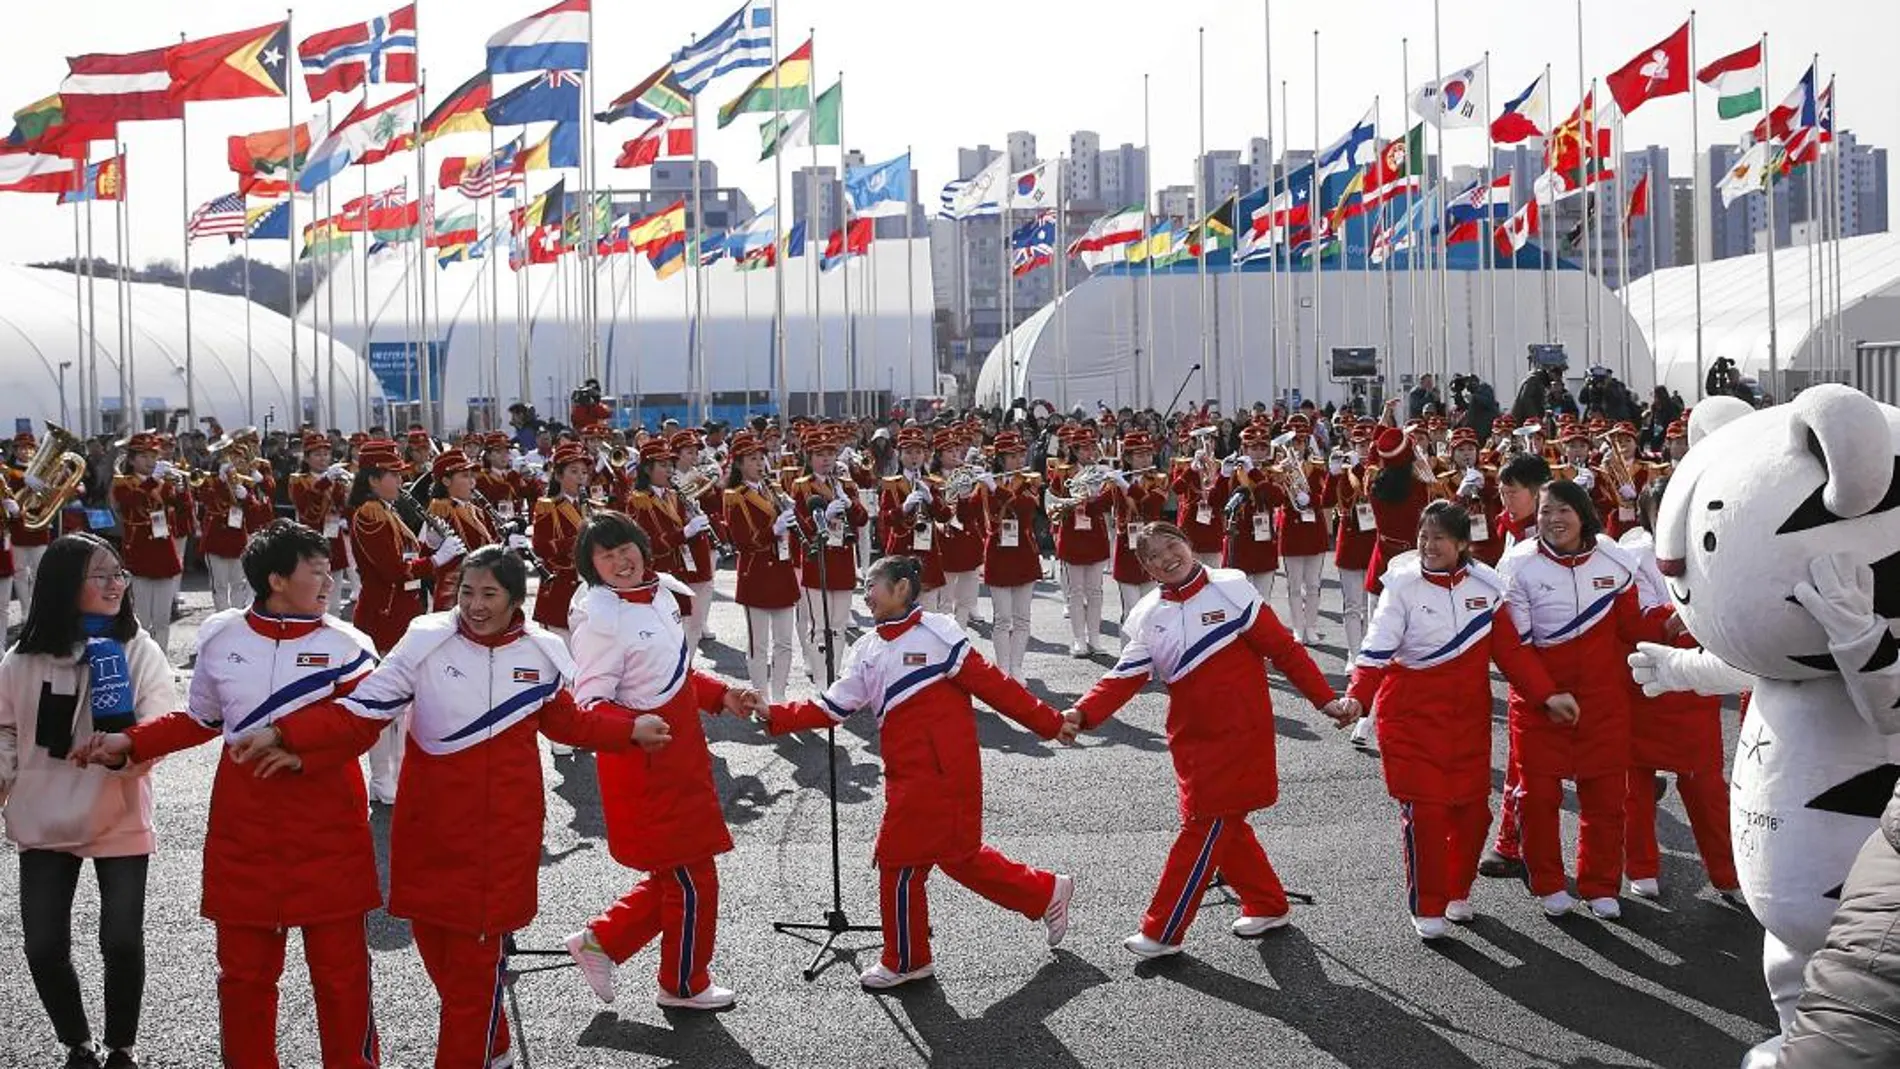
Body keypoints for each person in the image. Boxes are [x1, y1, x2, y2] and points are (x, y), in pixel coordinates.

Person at [241, 546, 669, 1068]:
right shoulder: (424, 642)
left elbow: (570, 724)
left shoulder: (539, 653)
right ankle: (495, 1040)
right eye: (467, 592)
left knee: (470, 974)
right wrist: (287, 736)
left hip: (500, 839)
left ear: (516, 600)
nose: (475, 605)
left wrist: (630, 729)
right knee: (440, 953)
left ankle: (472, 1048)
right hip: (428, 832)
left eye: (490, 594)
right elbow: (359, 713)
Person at [76, 521, 382, 1069]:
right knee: (244, 978)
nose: (331, 582)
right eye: (318, 571)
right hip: (245, 832)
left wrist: (293, 741)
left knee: (342, 976)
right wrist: (131, 742)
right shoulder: (221, 635)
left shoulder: (348, 644)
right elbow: (200, 718)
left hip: (329, 830)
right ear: (276, 579)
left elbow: (365, 721)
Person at [753, 555, 1075, 989]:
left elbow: (996, 687)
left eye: (872, 585)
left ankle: (907, 959)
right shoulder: (866, 648)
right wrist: (774, 715)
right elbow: (832, 707)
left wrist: (1052, 724)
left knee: (899, 864)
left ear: (902, 588)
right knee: (956, 859)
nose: (865, 594)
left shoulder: (941, 634)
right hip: (906, 775)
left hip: (945, 774)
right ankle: (1044, 892)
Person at [1064, 523, 1349, 957]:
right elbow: (1124, 677)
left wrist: (1325, 700)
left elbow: (1284, 651)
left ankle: (1162, 930)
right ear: (1145, 568)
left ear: (1189, 545)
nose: (1167, 558)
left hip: (1240, 733)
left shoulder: (1232, 591)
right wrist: (1081, 713)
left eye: (1171, 546)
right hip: (1190, 739)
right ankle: (1269, 904)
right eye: (1154, 556)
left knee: (1204, 826)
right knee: (1224, 824)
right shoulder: (1147, 615)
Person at [1344, 503, 1575, 939]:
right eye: (1423, 537)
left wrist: (1547, 695)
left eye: (1439, 538)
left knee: (1472, 817)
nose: (1428, 546)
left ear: (1462, 544)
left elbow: (1513, 653)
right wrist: (1357, 697)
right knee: (1427, 815)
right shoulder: (1402, 587)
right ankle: (1427, 904)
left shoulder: (1487, 589)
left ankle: (1455, 892)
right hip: (1410, 719)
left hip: (1467, 722)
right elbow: (1375, 649)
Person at [560, 514, 755, 1010]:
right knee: (693, 877)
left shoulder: (661, 595)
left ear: (644, 548)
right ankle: (683, 982)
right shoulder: (601, 619)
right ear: (592, 567)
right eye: (606, 556)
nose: (621, 561)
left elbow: (674, 672)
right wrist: (629, 729)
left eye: (626, 548)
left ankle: (602, 941)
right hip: (644, 766)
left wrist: (722, 694)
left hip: (682, 755)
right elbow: (589, 704)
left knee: (678, 875)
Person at [1, 533, 177, 1069]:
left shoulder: (136, 649)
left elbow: (161, 723)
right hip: (43, 812)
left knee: (122, 939)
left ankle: (122, 1044)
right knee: (43, 945)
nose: (116, 585)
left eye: (119, 574)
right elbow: (5, 728)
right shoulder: (21, 659)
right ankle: (77, 1041)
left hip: (117, 806)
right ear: (62, 585)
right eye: (99, 576)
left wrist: (126, 752)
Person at [1497, 480, 1669, 919]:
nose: (1553, 520)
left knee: (1606, 799)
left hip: (1603, 702)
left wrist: (1678, 621)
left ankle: (1600, 886)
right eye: (1545, 511)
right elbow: (1511, 647)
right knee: (1537, 799)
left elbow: (1634, 627)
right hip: (1539, 705)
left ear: (1583, 513)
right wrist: (1546, 694)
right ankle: (1549, 883)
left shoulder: (1615, 558)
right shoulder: (1518, 564)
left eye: (1563, 511)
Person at [1617, 480, 1740, 901]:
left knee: (1706, 788)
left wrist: (1682, 622)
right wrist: (1678, 619)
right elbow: (1635, 623)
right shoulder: (1632, 557)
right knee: (1634, 786)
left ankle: (1728, 873)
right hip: (1645, 684)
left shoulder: (1716, 549)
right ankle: (1641, 866)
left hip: (1693, 686)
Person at [348, 440, 465, 803]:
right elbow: (394, 570)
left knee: (403, 701)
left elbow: (408, 557)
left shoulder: (387, 510)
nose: (401, 480)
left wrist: (430, 546)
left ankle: (396, 774)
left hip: (403, 610)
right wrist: (437, 560)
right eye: (393, 474)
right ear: (373, 479)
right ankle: (383, 778)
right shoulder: (369, 515)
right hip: (384, 614)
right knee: (386, 701)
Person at [723, 432, 802, 702]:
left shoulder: (773, 489)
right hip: (756, 572)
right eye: (752, 459)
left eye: (761, 458)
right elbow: (743, 540)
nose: (759, 464)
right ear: (739, 464)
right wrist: (774, 529)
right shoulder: (735, 495)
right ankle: (760, 696)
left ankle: (779, 695)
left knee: (784, 643)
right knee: (758, 644)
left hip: (781, 570)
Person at [791, 426, 868, 688]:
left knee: (838, 626)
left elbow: (862, 519)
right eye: (819, 454)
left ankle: (834, 677)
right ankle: (822, 681)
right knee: (819, 626)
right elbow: (799, 527)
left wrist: (849, 504)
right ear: (809, 457)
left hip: (843, 561)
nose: (826, 459)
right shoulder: (801, 486)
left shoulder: (845, 484)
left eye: (830, 453)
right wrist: (823, 517)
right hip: (818, 561)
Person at [108, 434, 183, 660]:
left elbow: (181, 509)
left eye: (153, 456)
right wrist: (154, 481)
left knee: (162, 618)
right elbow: (131, 502)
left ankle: (161, 662)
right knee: (141, 617)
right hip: (140, 552)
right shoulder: (121, 482)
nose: (150, 461)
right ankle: (141, 662)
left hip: (164, 553)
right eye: (144, 456)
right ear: (131, 460)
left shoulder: (162, 481)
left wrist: (180, 488)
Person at [980, 432, 1042, 680]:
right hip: (997, 553)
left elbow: (1024, 510)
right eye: (1012, 456)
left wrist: (996, 489)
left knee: (1022, 617)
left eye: (1020, 455)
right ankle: (1003, 668)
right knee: (1002, 618)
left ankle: (1017, 667)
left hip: (1023, 553)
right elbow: (969, 514)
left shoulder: (1029, 481)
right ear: (1000, 458)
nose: (1018, 460)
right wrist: (964, 493)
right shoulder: (985, 484)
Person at [1048, 426, 1114, 657]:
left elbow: (1108, 504)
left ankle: (1095, 638)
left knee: (1095, 591)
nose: (1089, 452)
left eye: (1091, 447)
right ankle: (1079, 639)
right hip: (1072, 535)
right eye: (1083, 448)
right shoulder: (1063, 473)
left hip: (1094, 534)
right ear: (1074, 450)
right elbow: (1053, 503)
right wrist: (1073, 499)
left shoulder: (1103, 472)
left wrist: (1096, 495)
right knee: (1075, 592)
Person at [287, 434, 357, 611]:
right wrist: (326, 481)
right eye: (317, 454)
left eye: (326, 454)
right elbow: (306, 507)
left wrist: (350, 490)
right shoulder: (298, 480)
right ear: (307, 458)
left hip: (334, 539)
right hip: (310, 540)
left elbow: (343, 506)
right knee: (312, 593)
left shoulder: (336, 479)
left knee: (334, 596)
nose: (323, 458)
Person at [423, 451, 499, 611]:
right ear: (446, 480)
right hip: (453, 593)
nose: (472, 483)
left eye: (472, 476)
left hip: (480, 587)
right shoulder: (441, 508)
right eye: (465, 476)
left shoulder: (475, 510)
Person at [530, 441, 591, 637]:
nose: (580, 477)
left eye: (584, 472)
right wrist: (578, 539)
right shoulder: (548, 507)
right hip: (560, 590)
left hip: (587, 590)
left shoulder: (590, 507)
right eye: (574, 471)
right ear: (558, 476)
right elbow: (540, 547)